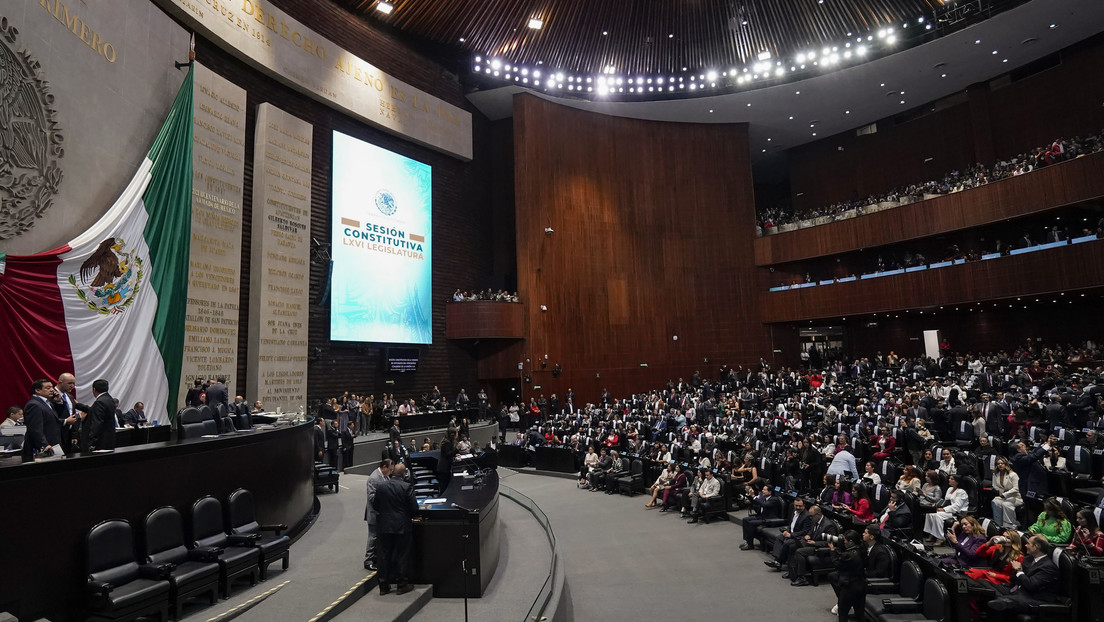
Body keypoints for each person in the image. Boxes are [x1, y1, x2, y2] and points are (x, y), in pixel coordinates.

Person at [986, 535, 1061, 616]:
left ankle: (1001, 598)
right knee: (982, 583)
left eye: (1028, 543)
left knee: (998, 602)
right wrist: (1015, 570)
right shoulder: (1028, 559)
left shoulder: (1048, 567)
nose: (1025, 545)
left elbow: (1031, 585)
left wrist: (1019, 570)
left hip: (1033, 597)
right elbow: (1012, 578)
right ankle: (1001, 597)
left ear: (1035, 547)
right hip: (1017, 590)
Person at [372, 463, 417, 595]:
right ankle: (402, 585)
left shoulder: (381, 486)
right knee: (402, 555)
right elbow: (414, 508)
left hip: (384, 526)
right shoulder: (406, 486)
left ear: (392, 473)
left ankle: (383, 586)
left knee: (384, 556)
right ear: (404, 474)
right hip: (402, 526)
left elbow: (375, 506)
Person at [828, 530, 865, 622]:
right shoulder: (862, 550)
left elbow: (837, 564)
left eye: (845, 540)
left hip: (849, 587)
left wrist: (832, 550)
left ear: (851, 541)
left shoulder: (848, 555)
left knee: (843, 612)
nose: (844, 542)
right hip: (861, 585)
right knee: (860, 613)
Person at [363, 459, 394, 570]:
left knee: (378, 537)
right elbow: (371, 497)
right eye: (390, 470)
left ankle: (376, 558)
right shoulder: (373, 478)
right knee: (373, 537)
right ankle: (368, 561)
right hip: (374, 513)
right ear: (384, 467)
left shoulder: (385, 476)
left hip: (382, 513)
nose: (391, 472)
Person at [21, 379, 61, 462]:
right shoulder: (34, 405)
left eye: (52, 387)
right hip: (43, 448)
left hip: (53, 445)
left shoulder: (47, 403)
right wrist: (44, 444)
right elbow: (35, 429)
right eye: (48, 388)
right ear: (38, 390)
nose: (52, 390)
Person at [924, 474, 968, 543]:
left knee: (937, 515)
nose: (949, 480)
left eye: (952, 479)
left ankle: (940, 538)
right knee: (930, 512)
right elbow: (945, 501)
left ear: (957, 482)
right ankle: (932, 534)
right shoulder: (949, 489)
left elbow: (957, 506)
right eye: (949, 478)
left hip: (957, 512)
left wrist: (944, 509)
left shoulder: (962, 492)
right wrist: (937, 505)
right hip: (948, 510)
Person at [740, 484, 784, 550]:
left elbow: (764, 505)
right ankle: (748, 541)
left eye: (764, 490)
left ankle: (750, 545)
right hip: (761, 516)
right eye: (763, 489)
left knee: (750, 523)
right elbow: (756, 503)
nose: (762, 491)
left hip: (768, 519)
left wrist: (754, 496)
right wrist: (749, 495)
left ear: (770, 492)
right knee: (745, 520)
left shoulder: (774, 500)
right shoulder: (764, 497)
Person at [83, 379, 116, 452]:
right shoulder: (109, 399)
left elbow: (97, 423)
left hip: (100, 442)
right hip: (108, 440)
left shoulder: (99, 402)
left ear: (94, 389)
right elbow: (92, 410)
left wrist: (92, 441)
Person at [990, 457, 1022, 529]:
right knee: (995, 501)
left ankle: (1010, 525)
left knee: (1006, 504)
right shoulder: (995, 474)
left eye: (1002, 463)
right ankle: (998, 524)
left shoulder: (1013, 474)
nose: (1000, 465)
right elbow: (994, 486)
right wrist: (1002, 492)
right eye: (998, 464)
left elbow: (1016, 489)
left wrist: (1005, 494)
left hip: (1015, 497)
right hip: (1003, 496)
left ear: (1006, 464)